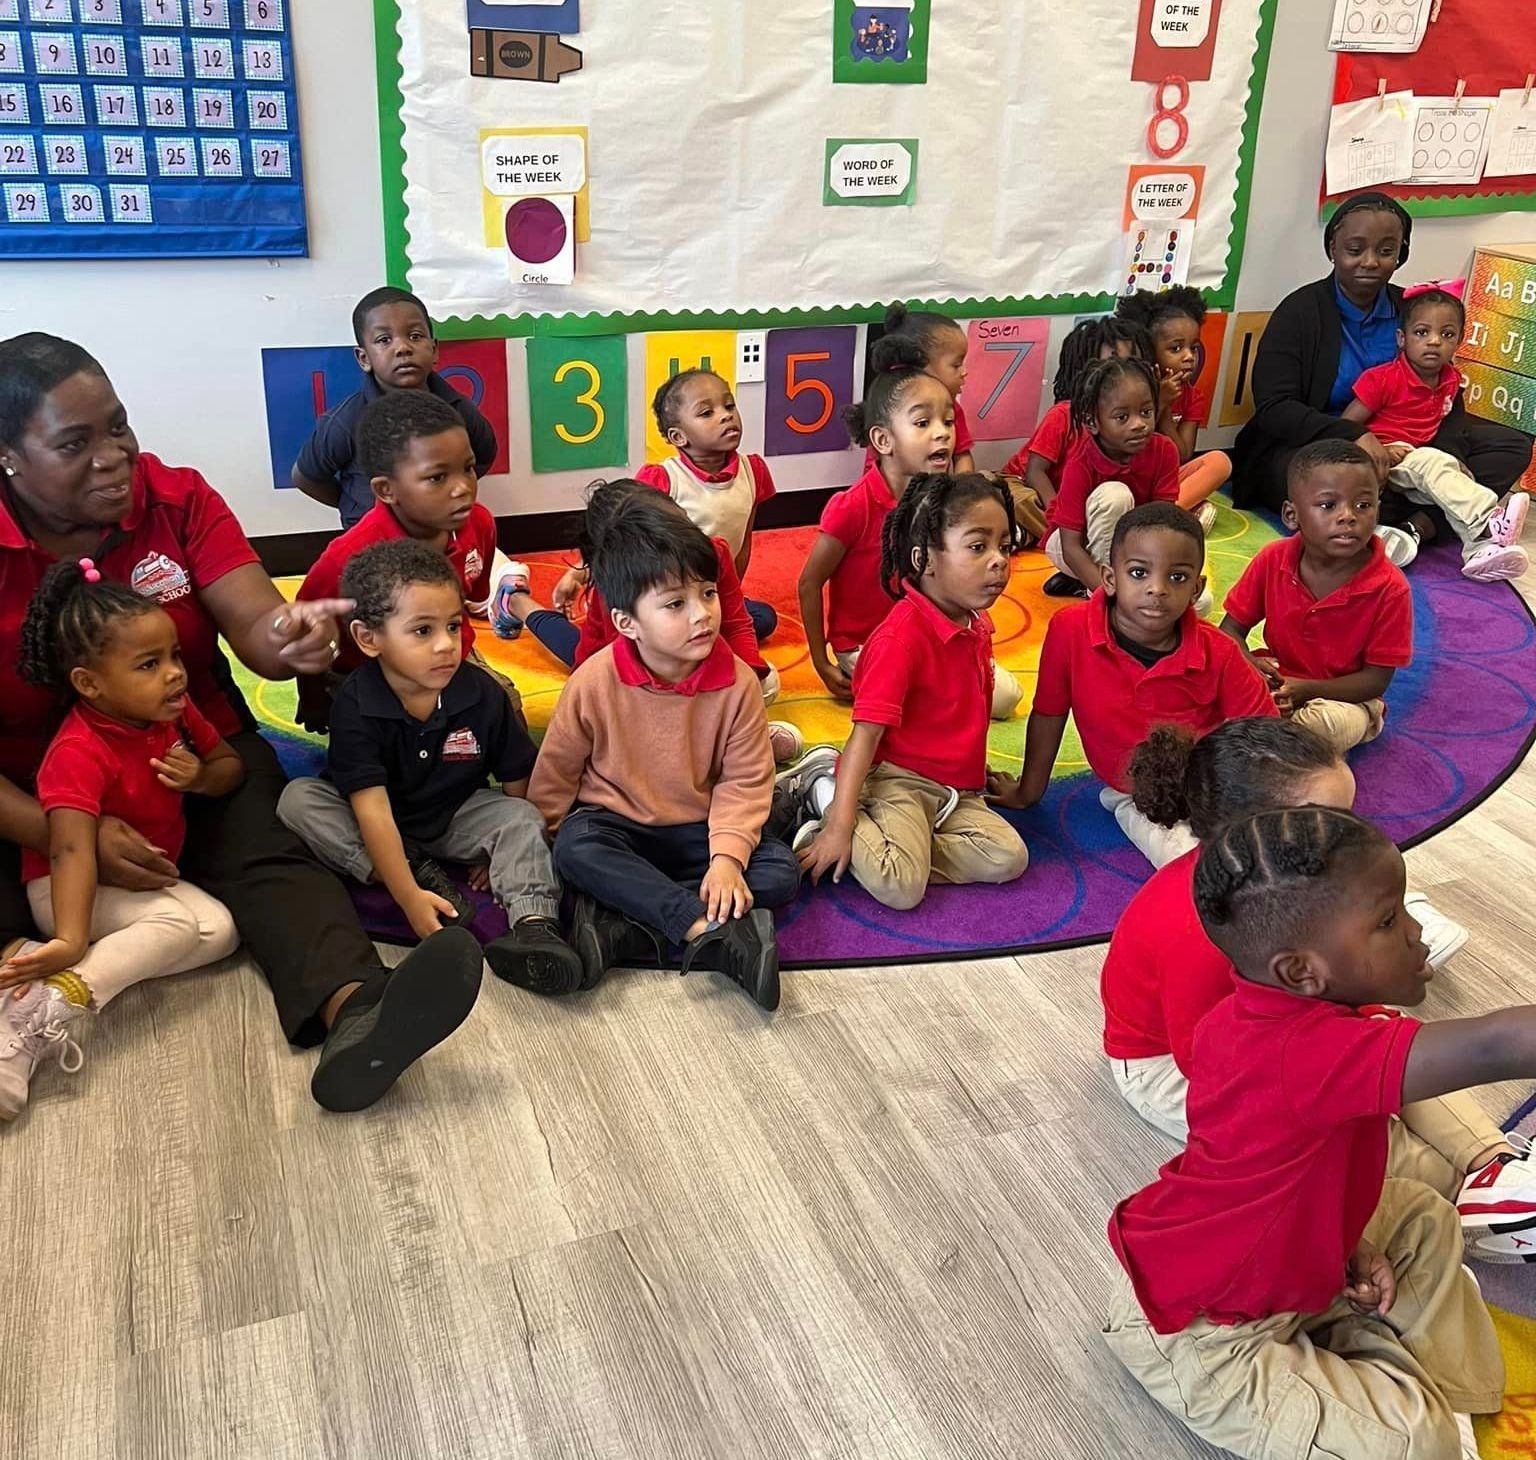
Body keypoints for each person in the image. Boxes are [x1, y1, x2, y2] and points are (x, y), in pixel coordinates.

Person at [0, 333, 483, 1113]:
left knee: (273, 857)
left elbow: (256, 619)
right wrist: (70, 834)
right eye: (75, 443)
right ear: (9, 457)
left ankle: (361, 1012)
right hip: (28, 794)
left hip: (193, 752)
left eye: (119, 427)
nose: (114, 456)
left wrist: (291, 640)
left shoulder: (178, 496)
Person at [1103, 807, 1536, 1460]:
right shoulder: (1304, 1052)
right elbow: (1501, 1043)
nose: (1418, 936)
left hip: (1276, 1264)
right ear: (1301, 971)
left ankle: (1463, 1411)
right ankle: (1418, 1411)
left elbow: (1277, 1178)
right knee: (1416, 1443)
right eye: (1389, 922)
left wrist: (1345, 1236)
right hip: (1203, 1333)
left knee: (1419, 1213)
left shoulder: (1271, 1014)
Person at [1104, 718, 1466, 1142]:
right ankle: (1438, 1174)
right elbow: (1204, 1062)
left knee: (1390, 1045)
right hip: (1167, 1069)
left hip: (1267, 1015)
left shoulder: (1293, 888)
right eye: (1326, 820)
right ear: (1253, 835)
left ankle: (1488, 1160)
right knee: (1327, 1114)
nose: (1345, 834)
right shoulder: (1196, 927)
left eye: (1347, 815)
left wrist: (1362, 1021)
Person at [528, 483, 801, 1009]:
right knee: (576, 849)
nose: (702, 614)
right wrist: (545, 832)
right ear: (626, 623)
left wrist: (725, 859)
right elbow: (558, 767)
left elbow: (744, 782)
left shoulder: (738, 682)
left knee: (778, 871)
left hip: (696, 829)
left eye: (707, 593)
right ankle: (707, 927)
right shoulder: (593, 680)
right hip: (617, 825)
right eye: (675, 604)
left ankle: (626, 922)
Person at [279, 541, 578, 996]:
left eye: (454, 627)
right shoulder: (357, 705)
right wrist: (408, 896)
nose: (446, 645)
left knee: (522, 817)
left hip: (455, 812)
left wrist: (494, 850)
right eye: (422, 631)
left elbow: (518, 777)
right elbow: (373, 812)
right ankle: (405, 869)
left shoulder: (481, 693)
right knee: (297, 800)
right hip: (378, 821)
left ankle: (535, 928)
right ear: (368, 639)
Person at [0, 558, 243, 1117]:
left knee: (222, 932)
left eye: (175, 655)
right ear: (90, 684)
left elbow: (231, 764)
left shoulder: (173, 717)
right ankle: (40, 1012)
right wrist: (70, 934)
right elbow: (68, 849)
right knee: (179, 925)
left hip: (134, 889)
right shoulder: (77, 751)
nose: (175, 674)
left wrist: (203, 778)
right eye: (149, 664)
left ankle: (53, 971)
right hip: (65, 887)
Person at [786, 473, 1030, 911]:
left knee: (1009, 857)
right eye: (978, 547)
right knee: (900, 887)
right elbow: (865, 736)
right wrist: (840, 828)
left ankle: (904, 846)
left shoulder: (977, 623)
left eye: (1005, 547)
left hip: (954, 789)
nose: (999, 561)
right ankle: (825, 792)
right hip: (894, 780)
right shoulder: (899, 639)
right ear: (925, 560)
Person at [989, 503, 1274, 866]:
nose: (1157, 589)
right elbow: (1049, 713)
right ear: (1109, 578)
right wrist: (1028, 792)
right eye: (1139, 573)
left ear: (1196, 587)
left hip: (1212, 782)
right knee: (1188, 861)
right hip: (1137, 793)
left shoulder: (1219, 651)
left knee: (1270, 836)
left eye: (1177, 577)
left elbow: (1264, 736)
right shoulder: (1070, 630)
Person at [1232, 192, 1533, 531]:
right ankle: (1419, 516)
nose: (1370, 261)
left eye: (1386, 251)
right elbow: (1275, 408)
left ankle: (1411, 524)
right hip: (1319, 442)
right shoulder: (1299, 312)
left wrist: (1449, 456)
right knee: (1320, 480)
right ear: (1333, 249)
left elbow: (1446, 394)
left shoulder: (1414, 312)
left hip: (1408, 445)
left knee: (1510, 446)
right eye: (1355, 249)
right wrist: (1353, 434)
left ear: (1400, 255)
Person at [487, 483, 804, 763]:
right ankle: (516, 601)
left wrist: (744, 690)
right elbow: (593, 670)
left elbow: (735, 621)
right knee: (589, 674)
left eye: (708, 592)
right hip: (633, 668)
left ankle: (729, 738)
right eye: (675, 602)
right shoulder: (618, 594)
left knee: (764, 658)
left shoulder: (710, 551)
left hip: (693, 656)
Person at [800, 368, 1023, 719]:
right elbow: (809, 583)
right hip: (867, 646)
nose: (942, 434)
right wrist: (821, 661)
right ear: (883, 440)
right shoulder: (853, 506)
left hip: (924, 634)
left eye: (948, 422)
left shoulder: (941, 501)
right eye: (923, 423)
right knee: (940, 702)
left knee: (1005, 697)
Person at [293, 390, 514, 733]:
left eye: (468, 469)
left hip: (445, 653)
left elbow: (467, 602)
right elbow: (307, 633)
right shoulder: (347, 558)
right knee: (392, 751)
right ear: (385, 490)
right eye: (437, 477)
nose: (462, 488)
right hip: (369, 672)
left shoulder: (480, 525)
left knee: (505, 708)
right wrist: (313, 700)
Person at [1221, 440, 1412, 755]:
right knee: (1208, 679)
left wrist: (1307, 689)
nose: (1348, 517)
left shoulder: (1390, 587)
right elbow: (1231, 631)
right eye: (1328, 505)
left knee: (1329, 724)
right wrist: (1253, 666)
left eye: (1363, 505)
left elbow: (1376, 681)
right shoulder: (1273, 558)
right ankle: (1271, 738)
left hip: (1345, 701)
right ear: (1292, 515)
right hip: (1279, 677)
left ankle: (1268, 742)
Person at [1342, 284, 1530, 583]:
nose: (1433, 342)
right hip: (1388, 459)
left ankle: (1480, 550)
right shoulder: (1382, 379)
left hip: (1421, 461)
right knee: (1434, 462)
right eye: (1421, 333)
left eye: (1446, 335)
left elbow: (1448, 429)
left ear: (1458, 342)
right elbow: (1346, 425)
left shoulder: (1450, 379)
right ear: (1402, 339)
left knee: (1451, 487)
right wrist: (1377, 449)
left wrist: (1455, 464)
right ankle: (1488, 519)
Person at [291, 286, 500, 530]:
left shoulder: (457, 409)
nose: (402, 348)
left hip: (438, 532)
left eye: (415, 336)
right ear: (364, 358)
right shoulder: (347, 421)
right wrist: (353, 504)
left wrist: (444, 489)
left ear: (434, 350)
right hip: (372, 539)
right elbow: (305, 477)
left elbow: (484, 456)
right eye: (384, 340)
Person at [635, 369, 778, 642]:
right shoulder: (663, 479)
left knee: (764, 619)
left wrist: (729, 597)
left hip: (712, 593)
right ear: (679, 437)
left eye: (729, 405)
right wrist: (578, 574)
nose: (726, 415)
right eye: (706, 413)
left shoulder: (754, 471)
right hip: (668, 594)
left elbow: (743, 541)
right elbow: (624, 540)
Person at [1040, 357, 1183, 598]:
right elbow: (1070, 546)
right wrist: (1114, 598)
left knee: (1199, 603)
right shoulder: (1080, 463)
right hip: (1072, 550)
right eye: (1122, 417)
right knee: (1114, 495)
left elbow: (1161, 527)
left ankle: (1098, 584)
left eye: (1146, 412)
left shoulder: (1165, 451)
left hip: (1133, 549)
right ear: (1092, 422)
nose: (1139, 424)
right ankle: (1098, 590)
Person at [1114, 286, 1232, 529]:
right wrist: (1158, 400)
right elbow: (1128, 448)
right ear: (1151, 353)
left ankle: (1162, 514)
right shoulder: (1132, 391)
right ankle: (1175, 515)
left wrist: (1166, 410)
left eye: (1193, 347)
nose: (1189, 356)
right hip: (1128, 478)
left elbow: (1183, 455)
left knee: (1220, 461)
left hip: (1165, 482)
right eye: (1176, 348)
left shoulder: (1193, 397)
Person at [1002, 315, 1151, 508]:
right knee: (1025, 502)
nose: (1122, 376)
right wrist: (1056, 514)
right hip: (1024, 484)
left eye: (1131, 364)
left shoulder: (1139, 421)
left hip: (1078, 501)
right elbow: (1035, 472)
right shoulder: (1063, 415)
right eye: (1110, 367)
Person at [863, 304, 977, 473]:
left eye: (947, 423)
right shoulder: (890, 408)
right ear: (921, 366)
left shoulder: (952, 409)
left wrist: (962, 494)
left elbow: (963, 457)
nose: (964, 372)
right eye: (956, 365)